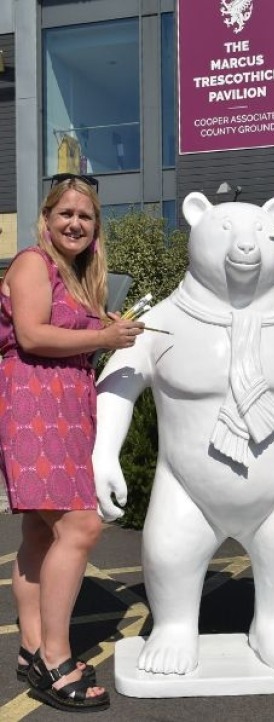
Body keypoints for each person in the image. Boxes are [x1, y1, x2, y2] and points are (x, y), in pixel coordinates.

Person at [0, 174, 142, 712]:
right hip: (33, 401)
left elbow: (67, 330)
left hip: (62, 404)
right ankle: (57, 659)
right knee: (80, 525)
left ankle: (33, 649)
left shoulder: (78, 276)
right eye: (66, 214)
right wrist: (102, 337)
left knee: (40, 529)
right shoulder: (33, 262)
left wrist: (106, 324)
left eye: (86, 217)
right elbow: (33, 334)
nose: (76, 224)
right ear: (47, 218)